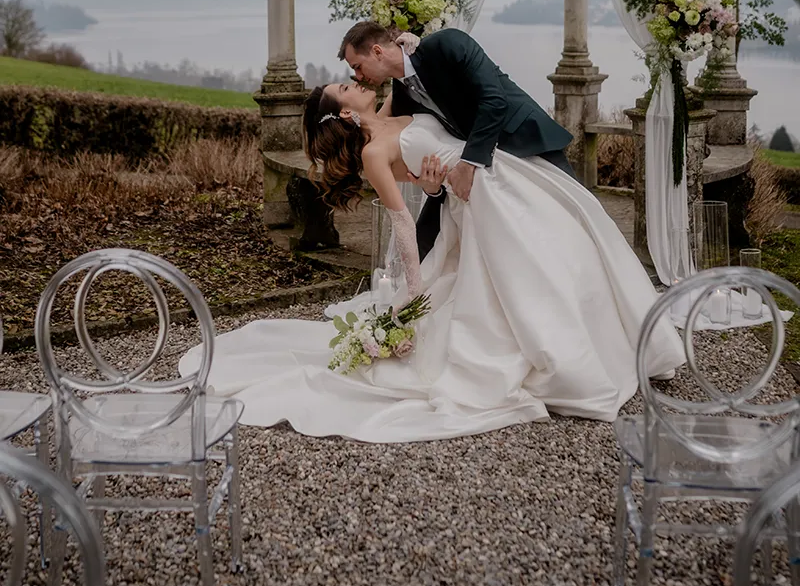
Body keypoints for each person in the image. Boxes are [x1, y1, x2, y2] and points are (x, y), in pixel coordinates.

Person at [178, 53, 683, 442]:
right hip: (479, 201)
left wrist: (437, 183)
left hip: (501, 177)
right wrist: (413, 292)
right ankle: (570, 366)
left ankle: (613, 343)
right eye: (344, 88)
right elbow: (402, 218)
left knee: (565, 258)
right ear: (343, 116)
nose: (355, 83)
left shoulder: (401, 105)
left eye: (350, 76)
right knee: (525, 284)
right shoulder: (375, 153)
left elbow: (432, 149)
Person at [339, 21, 575, 260]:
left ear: (377, 51)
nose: (358, 77)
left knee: (574, 215)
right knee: (426, 247)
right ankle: (416, 289)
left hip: (522, 138)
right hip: (474, 171)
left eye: (358, 67)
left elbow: (495, 101)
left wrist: (469, 163)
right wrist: (430, 188)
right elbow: (387, 138)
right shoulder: (401, 100)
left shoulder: (446, 44)